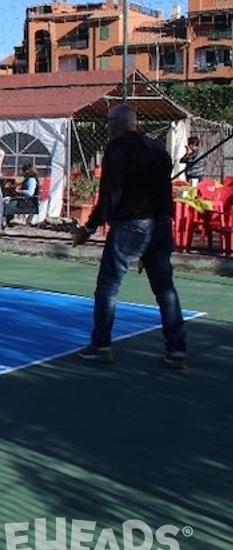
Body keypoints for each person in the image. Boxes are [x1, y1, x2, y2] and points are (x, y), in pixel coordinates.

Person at [72, 104, 187, 369]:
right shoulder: (158, 149)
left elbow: (110, 195)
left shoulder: (117, 148)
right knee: (165, 288)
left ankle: (101, 345)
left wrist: (88, 230)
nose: (107, 128)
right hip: (161, 224)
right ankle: (177, 349)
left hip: (132, 225)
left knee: (108, 286)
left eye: (108, 123)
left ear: (115, 123)